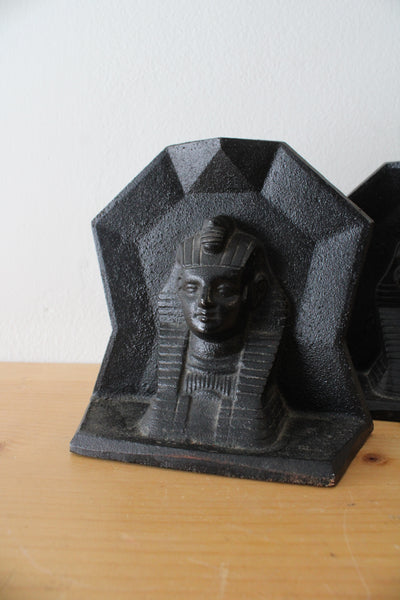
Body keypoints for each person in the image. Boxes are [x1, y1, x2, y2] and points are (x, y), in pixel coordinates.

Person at [139, 216, 288, 451]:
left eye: (223, 290)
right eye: (192, 288)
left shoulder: (260, 404)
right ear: (177, 289)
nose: (204, 301)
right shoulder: (166, 396)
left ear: (255, 293)